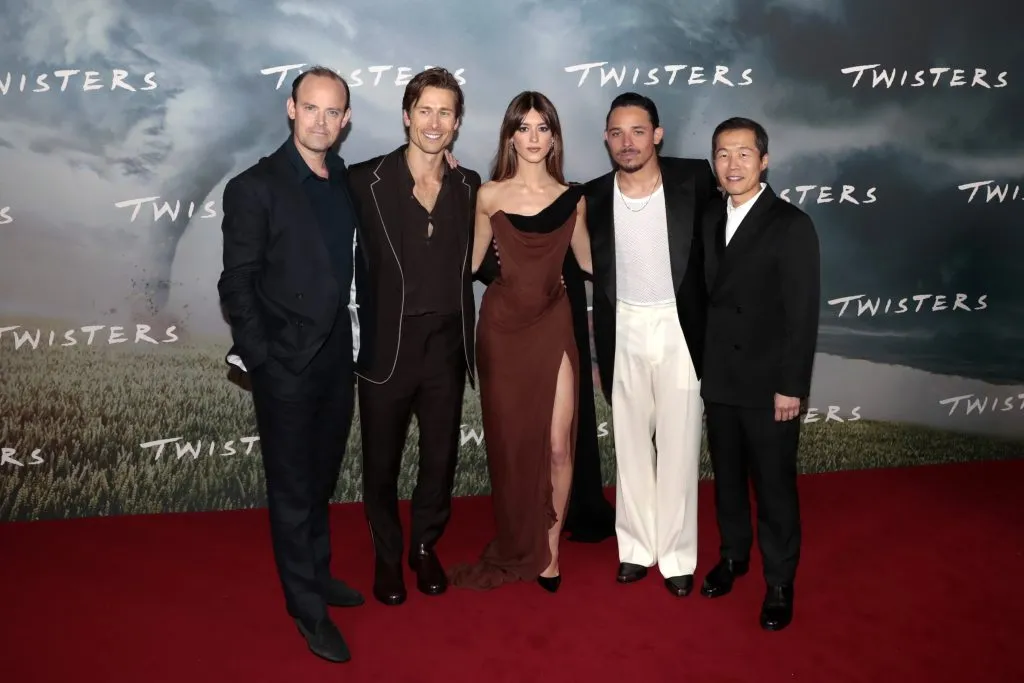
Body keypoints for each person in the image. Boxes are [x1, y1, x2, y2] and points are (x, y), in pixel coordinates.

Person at [217, 66, 364, 664]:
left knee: (321, 478)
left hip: (338, 358)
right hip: (286, 365)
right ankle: (305, 607)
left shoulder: (345, 180)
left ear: (346, 119)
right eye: (312, 109)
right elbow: (237, 285)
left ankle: (318, 574)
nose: (322, 122)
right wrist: (264, 361)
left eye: (334, 112)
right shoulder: (254, 187)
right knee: (293, 489)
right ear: (290, 108)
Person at [447, 90, 593, 592]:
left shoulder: (575, 199)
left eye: (542, 127)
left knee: (557, 446)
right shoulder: (488, 196)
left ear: (554, 136)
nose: (533, 138)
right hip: (503, 330)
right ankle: (516, 538)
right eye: (523, 127)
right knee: (511, 448)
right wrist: (445, 189)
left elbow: (593, 264)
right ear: (510, 135)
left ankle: (549, 554)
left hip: (554, 323)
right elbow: (467, 266)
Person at [346, 68, 481, 606]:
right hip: (387, 344)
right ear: (407, 115)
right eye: (425, 110)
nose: (434, 122)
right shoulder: (363, 180)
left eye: (445, 112)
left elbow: (500, 251)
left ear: (456, 124)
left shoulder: (471, 186)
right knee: (380, 460)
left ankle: (424, 546)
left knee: (440, 456)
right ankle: (386, 555)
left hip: (446, 345)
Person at [582, 92, 722, 597]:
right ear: (605, 138)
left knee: (682, 445)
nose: (628, 142)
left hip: (679, 325)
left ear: (657, 134)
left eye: (638, 131)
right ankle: (636, 549)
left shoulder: (694, 179)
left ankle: (679, 555)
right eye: (617, 132)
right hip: (623, 325)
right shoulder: (592, 196)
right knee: (631, 445)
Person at [699, 117, 820, 631]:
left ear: (764, 160)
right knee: (727, 480)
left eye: (744, 154)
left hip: (770, 385)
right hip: (720, 377)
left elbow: (802, 312)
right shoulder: (708, 218)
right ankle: (733, 556)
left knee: (773, 486)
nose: (733, 164)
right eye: (723, 154)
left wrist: (791, 386)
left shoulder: (791, 224)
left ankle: (779, 581)